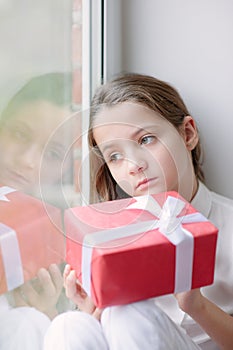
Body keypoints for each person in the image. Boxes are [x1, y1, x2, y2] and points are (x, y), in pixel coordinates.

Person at [43, 73, 233, 350]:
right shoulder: (109, 240)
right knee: (68, 323)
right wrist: (93, 310)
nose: (133, 165)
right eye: (115, 157)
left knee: (127, 314)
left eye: (145, 140)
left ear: (187, 134)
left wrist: (197, 305)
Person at [0, 72, 76, 349]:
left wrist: (46, 314)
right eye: (20, 134)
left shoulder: (64, 235)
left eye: (54, 154)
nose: (28, 161)